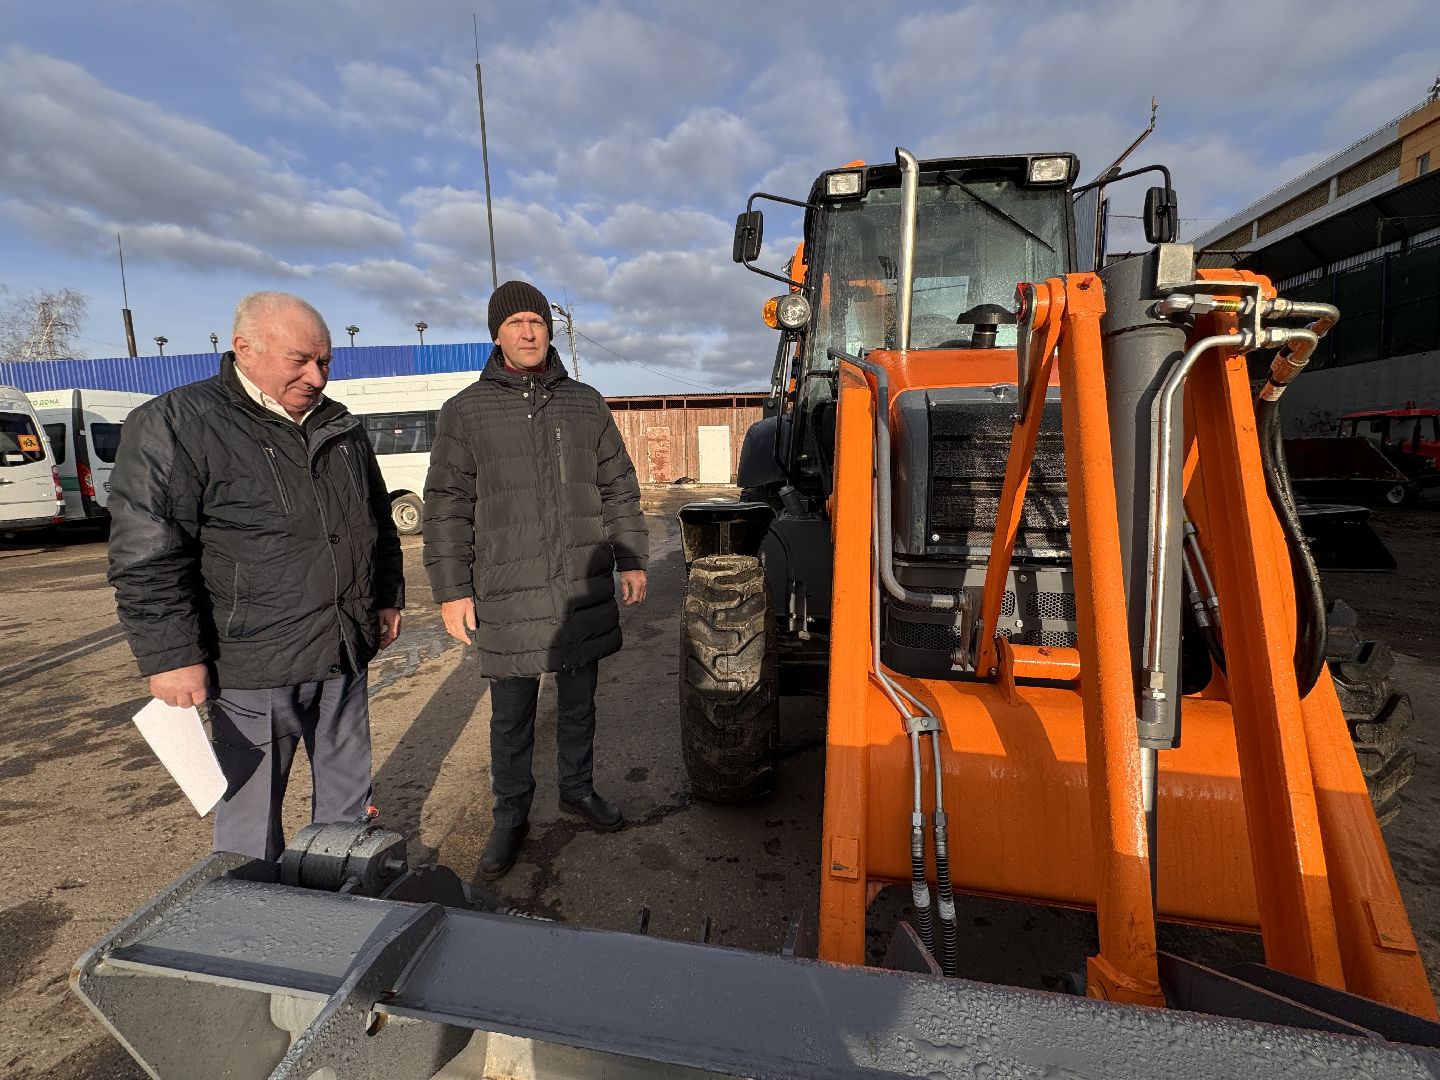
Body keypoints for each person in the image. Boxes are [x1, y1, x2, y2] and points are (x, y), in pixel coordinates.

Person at [107, 291, 404, 861]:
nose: (317, 376)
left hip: (342, 652)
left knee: (346, 809)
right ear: (244, 348)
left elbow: (375, 519)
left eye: (325, 362)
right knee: (249, 817)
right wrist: (171, 655)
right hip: (251, 665)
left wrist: (386, 596)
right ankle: (250, 920)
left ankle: (340, 908)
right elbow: (148, 554)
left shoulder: (339, 426)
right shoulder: (178, 425)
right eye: (300, 360)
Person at [423, 280, 648, 880]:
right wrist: (451, 590)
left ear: (549, 330)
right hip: (507, 589)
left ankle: (576, 788)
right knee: (511, 715)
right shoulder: (465, 412)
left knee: (579, 705)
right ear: (496, 333)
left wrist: (632, 558)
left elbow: (618, 486)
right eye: (516, 322)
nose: (528, 332)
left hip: (580, 583)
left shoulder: (585, 403)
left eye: (538, 322)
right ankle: (511, 814)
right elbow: (446, 506)